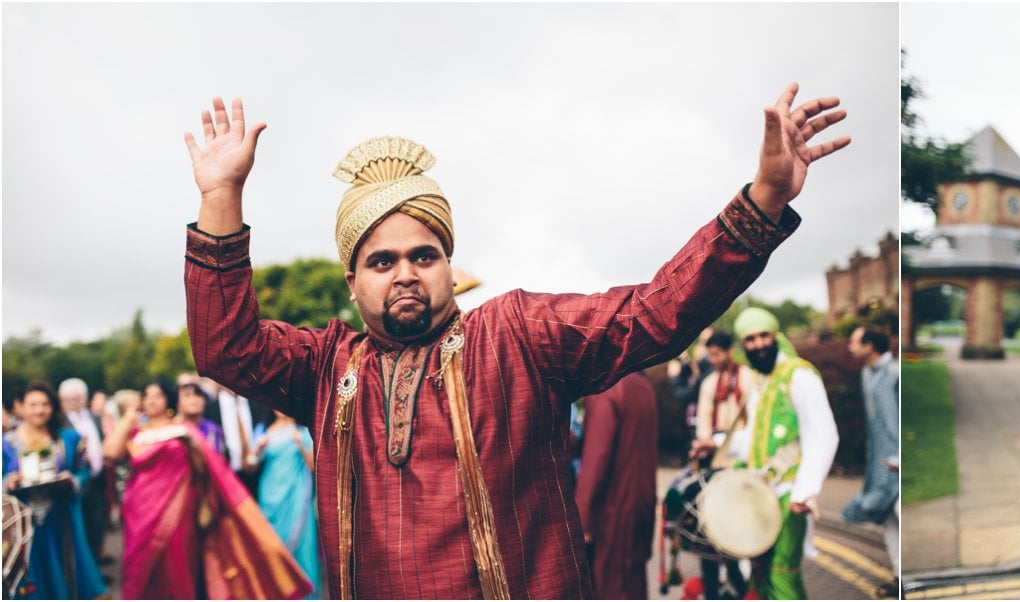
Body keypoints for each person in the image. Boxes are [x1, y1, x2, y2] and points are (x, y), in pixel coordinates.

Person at [179, 85, 847, 598]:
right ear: (353, 283)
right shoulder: (326, 368)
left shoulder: (518, 334)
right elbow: (223, 346)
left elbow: (656, 313)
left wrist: (762, 200)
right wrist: (221, 196)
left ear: (449, 264)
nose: (406, 272)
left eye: (425, 254)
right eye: (382, 262)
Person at [103, 383, 310, 599]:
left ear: (168, 400)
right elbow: (110, 453)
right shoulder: (136, 432)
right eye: (147, 396)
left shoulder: (183, 430)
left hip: (178, 511)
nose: (152, 400)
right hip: (139, 510)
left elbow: (207, 469)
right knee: (137, 566)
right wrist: (128, 418)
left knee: (177, 568)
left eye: (159, 395)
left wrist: (193, 448)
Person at [691, 308, 839, 599]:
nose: (758, 344)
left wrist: (805, 492)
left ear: (775, 335)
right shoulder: (761, 380)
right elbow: (755, 439)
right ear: (743, 346)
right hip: (763, 493)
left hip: (790, 492)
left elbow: (823, 434)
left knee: (782, 571)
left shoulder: (799, 375)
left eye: (763, 336)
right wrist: (718, 442)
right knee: (761, 570)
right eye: (750, 339)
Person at [3, 382, 106, 600]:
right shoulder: (6, 443)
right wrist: (7, 481)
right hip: (24, 527)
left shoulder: (67, 438)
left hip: (61, 520)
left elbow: (83, 472)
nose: (39, 410)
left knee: (65, 571)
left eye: (45, 404)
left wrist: (72, 480)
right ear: (19, 406)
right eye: (32, 405)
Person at [573, 372, 658, 600]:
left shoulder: (606, 388)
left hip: (612, 509)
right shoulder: (643, 386)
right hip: (640, 504)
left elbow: (596, 457)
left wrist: (583, 522)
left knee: (609, 587)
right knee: (632, 584)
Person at [691, 329, 752, 599]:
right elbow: (703, 421)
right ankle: (713, 588)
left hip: (742, 462)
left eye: (718, 354)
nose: (713, 359)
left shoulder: (748, 378)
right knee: (712, 527)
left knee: (739, 525)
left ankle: (741, 584)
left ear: (730, 351)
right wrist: (703, 444)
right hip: (715, 464)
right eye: (710, 355)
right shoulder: (708, 384)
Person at [843, 325, 899, 597]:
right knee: (888, 518)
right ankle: (899, 576)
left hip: (899, 461)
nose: (849, 347)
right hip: (880, 461)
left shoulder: (895, 372)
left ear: (870, 346)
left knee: (900, 513)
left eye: (854, 342)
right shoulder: (867, 374)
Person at [250, 410, 323, 600]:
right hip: (270, 494)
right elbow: (250, 464)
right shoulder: (263, 430)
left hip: (297, 495)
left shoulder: (302, 431)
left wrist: (300, 444)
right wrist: (258, 449)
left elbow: (314, 466)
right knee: (273, 545)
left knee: (303, 546)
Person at [58, 378, 112, 567]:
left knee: (97, 524)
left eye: (77, 397)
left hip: (98, 479)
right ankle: (85, 573)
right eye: (69, 398)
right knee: (80, 529)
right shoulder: (59, 422)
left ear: (85, 398)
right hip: (75, 481)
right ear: (62, 401)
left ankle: (96, 566)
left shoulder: (95, 417)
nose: (74, 401)